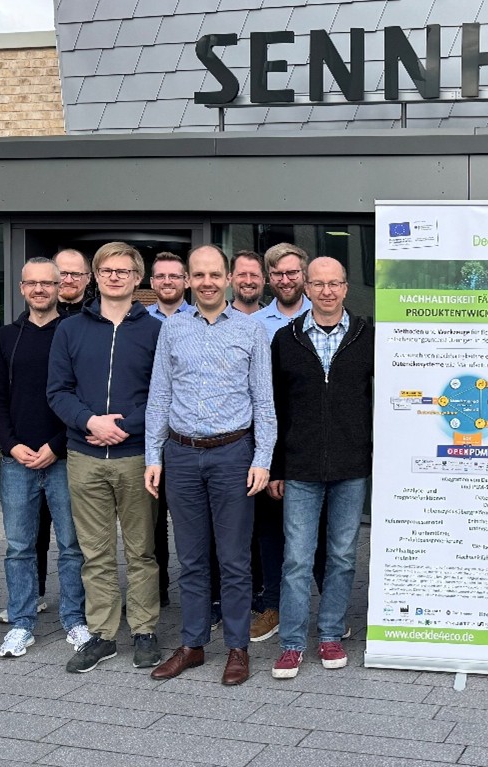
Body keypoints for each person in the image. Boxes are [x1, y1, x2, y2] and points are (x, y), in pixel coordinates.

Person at [145, 244, 276, 686]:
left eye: (214, 274)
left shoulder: (251, 330)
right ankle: (193, 644)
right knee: (192, 558)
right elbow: (159, 395)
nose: (206, 282)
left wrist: (262, 458)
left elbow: (264, 401)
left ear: (228, 279)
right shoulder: (172, 329)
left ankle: (237, 648)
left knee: (235, 560)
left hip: (232, 454)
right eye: (198, 275)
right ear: (187, 280)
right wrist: (153, 455)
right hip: (181, 455)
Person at [48, 241, 163, 674]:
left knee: (142, 551)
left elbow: (163, 394)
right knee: (94, 553)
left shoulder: (156, 331)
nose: (115, 277)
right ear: (96, 277)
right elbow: (57, 390)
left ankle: (145, 630)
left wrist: (125, 426)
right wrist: (90, 422)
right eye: (107, 270)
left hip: (136, 456)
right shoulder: (70, 329)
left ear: (138, 278)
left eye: (124, 271)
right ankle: (102, 634)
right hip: (84, 456)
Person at [268, 256, 374, 680]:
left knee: (343, 556)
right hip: (300, 466)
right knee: (296, 558)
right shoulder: (285, 339)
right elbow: (274, 408)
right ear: (306, 289)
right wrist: (276, 466)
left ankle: (330, 633)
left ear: (345, 287)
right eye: (318, 284)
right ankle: (292, 644)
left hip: (351, 464)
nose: (326, 291)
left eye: (334, 283)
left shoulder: (368, 337)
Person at [0, 258, 91, 659]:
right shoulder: (5, 337)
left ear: (59, 286)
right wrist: (11, 444)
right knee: (19, 547)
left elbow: (82, 397)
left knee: (71, 545)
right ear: (22, 288)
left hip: (63, 455)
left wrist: (56, 445)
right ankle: (21, 623)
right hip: (17, 460)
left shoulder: (74, 332)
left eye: (47, 283)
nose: (39, 289)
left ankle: (74, 619)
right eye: (31, 283)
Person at [248, 242, 322, 644]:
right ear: (268, 279)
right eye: (277, 274)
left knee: (322, 533)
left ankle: (328, 612)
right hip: (270, 441)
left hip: (315, 442)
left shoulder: (325, 315)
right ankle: (273, 605)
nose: (286, 279)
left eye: (292, 272)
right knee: (272, 530)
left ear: (304, 276)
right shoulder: (256, 324)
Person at [145, 251, 191, 608]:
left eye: (174, 276)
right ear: (151, 282)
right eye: (161, 276)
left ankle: (205, 595)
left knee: (195, 522)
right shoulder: (140, 321)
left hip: (189, 435)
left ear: (186, 281)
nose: (167, 281)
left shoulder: (201, 319)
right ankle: (156, 591)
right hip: (152, 432)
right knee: (152, 522)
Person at [230, 249, 266, 315]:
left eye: (254, 275)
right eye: (242, 275)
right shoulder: (215, 319)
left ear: (263, 280)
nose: (248, 282)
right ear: (230, 278)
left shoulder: (277, 320)